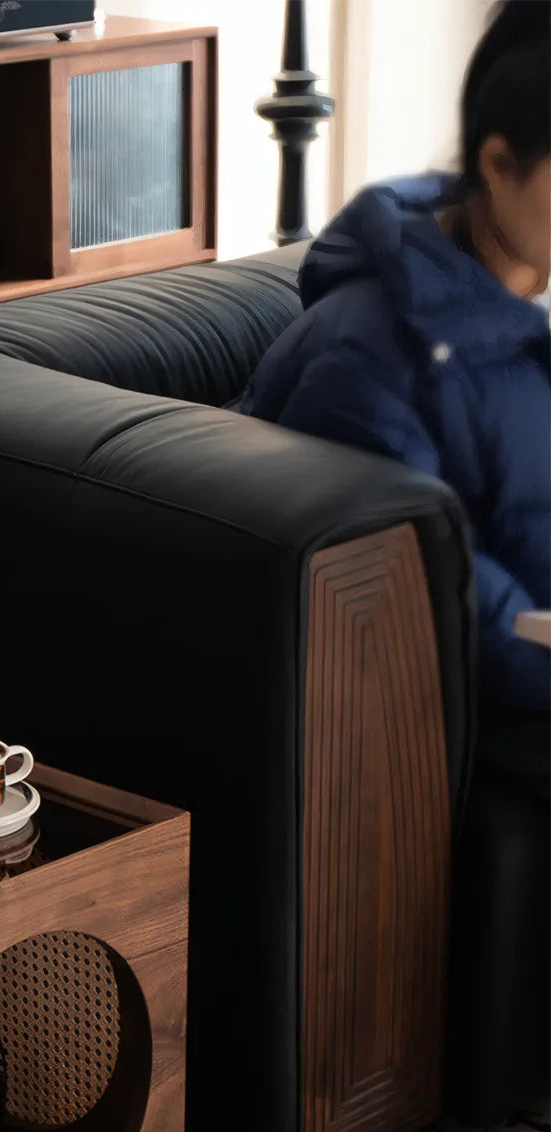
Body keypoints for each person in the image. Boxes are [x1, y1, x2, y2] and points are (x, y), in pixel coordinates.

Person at [240, 0, 550, 741]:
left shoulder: (514, 308)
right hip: (488, 725)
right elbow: (433, 601)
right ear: (498, 165)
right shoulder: (369, 362)